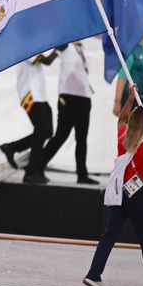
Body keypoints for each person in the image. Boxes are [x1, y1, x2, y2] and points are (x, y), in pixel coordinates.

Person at [83, 103, 143, 286]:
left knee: (110, 234)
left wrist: (130, 98)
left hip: (120, 192)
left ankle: (94, 274)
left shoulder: (122, 137)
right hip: (137, 193)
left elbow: (121, 119)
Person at [39, 42, 96, 184]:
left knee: (82, 139)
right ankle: (38, 167)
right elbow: (48, 61)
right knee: (61, 136)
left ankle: (82, 174)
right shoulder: (64, 44)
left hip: (84, 97)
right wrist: (33, 54)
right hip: (68, 98)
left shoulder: (82, 48)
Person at [0, 51, 58, 183]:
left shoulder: (34, 46)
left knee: (47, 132)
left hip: (40, 95)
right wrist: (59, 49)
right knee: (41, 131)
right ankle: (31, 173)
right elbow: (47, 61)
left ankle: (12, 147)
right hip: (30, 95)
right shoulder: (28, 49)